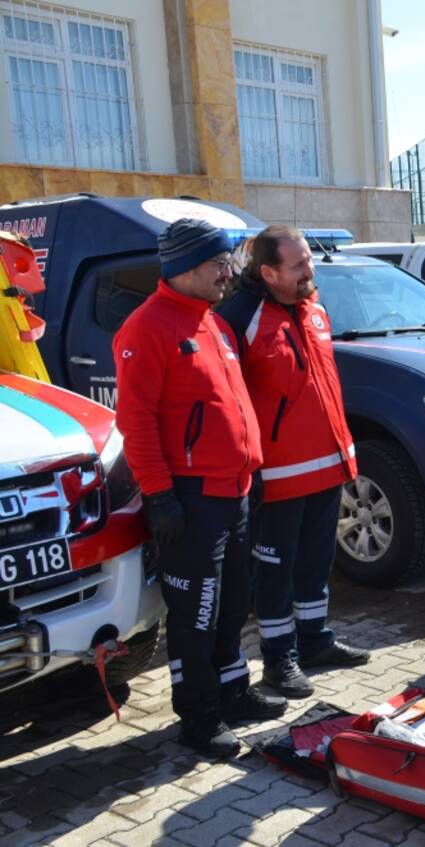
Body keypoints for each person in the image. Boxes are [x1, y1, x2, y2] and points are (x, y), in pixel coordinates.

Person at [113, 218, 284, 758]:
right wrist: (160, 495)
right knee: (197, 613)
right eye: (218, 264)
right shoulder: (147, 328)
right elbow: (135, 421)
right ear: (186, 267)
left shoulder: (211, 322)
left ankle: (232, 691)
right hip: (190, 498)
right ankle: (199, 717)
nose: (227, 273)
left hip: (233, 491)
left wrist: (250, 470)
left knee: (234, 601)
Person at [219, 226, 369, 700]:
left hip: (327, 466)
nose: (311, 269)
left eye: (309, 260)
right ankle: (279, 657)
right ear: (268, 272)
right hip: (278, 477)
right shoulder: (239, 318)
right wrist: (249, 468)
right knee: (275, 572)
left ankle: (314, 640)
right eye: (299, 264)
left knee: (315, 562)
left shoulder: (314, 310)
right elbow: (230, 402)